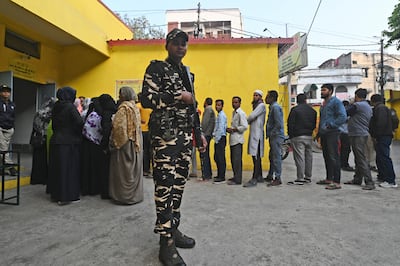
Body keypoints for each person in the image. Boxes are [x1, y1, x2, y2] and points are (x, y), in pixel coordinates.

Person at [141, 28, 207, 266]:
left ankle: (174, 228)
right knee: (164, 188)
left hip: (184, 139)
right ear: (167, 45)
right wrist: (178, 96)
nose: (181, 47)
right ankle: (165, 241)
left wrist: (198, 133)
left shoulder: (188, 74)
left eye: (185, 43)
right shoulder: (156, 68)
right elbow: (147, 99)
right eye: (177, 43)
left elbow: (193, 107)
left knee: (178, 186)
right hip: (164, 139)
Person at [47, 87, 83, 205]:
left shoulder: (56, 106)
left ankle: (56, 195)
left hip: (56, 140)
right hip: (68, 142)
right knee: (68, 170)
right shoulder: (70, 107)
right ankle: (66, 196)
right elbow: (79, 122)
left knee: (57, 169)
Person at [108, 86, 143, 204]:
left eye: (120, 94)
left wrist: (115, 143)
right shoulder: (135, 107)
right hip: (136, 142)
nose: (119, 96)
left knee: (123, 170)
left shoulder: (123, 109)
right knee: (134, 169)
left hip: (125, 144)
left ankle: (123, 196)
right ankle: (135, 196)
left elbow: (119, 128)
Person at [81, 94, 117, 197]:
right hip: (108, 144)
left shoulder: (96, 114)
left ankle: (96, 189)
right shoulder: (113, 112)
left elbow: (87, 129)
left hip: (94, 145)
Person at [316, 84, 347, 190]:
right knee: (327, 156)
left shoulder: (336, 102)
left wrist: (331, 125)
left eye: (324, 90)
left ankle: (337, 182)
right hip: (324, 133)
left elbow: (343, 116)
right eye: (321, 90)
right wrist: (319, 132)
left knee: (334, 156)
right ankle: (329, 178)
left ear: (330, 91)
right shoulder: (324, 104)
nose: (322, 92)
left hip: (333, 133)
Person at [343, 88, 375, 190]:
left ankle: (369, 182)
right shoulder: (367, 106)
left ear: (357, 96)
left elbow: (345, 112)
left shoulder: (358, 105)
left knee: (361, 158)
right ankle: (357, 179)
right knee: (358, 157)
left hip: (358, 134)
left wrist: (352, 102)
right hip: (361, 133)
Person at [287, 93, 317, 185]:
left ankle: (300, 178)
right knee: (309, 157)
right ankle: (308, 177)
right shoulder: (313, 111)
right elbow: (314, 124)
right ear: (306, 100)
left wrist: (291, 136)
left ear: (297, 100)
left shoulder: (295, 110)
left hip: (298, 136)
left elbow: (290, 124)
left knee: (299, 157)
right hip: (309, 136)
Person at [369, 94, 397, 188]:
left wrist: (376, 135)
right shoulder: (384, 108)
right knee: (380, 157)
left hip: (382, 136)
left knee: (384, 157)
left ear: (373, 101)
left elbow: (380, 123)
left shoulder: (380, 109)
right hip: (383, 135)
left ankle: (390, 180)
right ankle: (382, 176)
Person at [30, 97, 55, 185]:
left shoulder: (39, 112)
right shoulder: (49, 113)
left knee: (37, 160)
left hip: (37, 138)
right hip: (44, 138)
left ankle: (36, 179)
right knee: (44, 160)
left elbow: (35, 126)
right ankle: (43, 178)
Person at [243, 90, 266, 187]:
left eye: (257, 95)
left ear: (261, 97)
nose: (255, 97)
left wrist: (246, 121)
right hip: (254, 133)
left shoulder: (261, 106)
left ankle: (254, 178)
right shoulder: (257, 106)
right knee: (255, 157)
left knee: (256, 157)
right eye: (254, 95)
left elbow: (252, 116)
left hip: (257, 135)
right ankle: (259, 176)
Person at [265, 90, 285, 187]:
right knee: (272, 156)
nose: (266, 98)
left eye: (267, 97)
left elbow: (278, 123)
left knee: (276, 157)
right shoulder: (272, 107)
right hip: (274, 136)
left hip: (276, 136)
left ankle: (278, 178)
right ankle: (270, 175)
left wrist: (272, 133)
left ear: (272, 98)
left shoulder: (275, 108)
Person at [226, 96, 248, 185]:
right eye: (233, 102)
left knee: (237, 160)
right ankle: (235, 176)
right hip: (233, 139)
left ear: (239, 103)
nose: (234, 104)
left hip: (238, 140)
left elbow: (244, 126)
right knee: (233, 160)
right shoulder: (234, 113)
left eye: (236, 102)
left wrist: (234, 129)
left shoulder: (241, 113)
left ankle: (238, 180)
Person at [0, 84, 17, 176]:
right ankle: (10, 166)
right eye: (4, 91)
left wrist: (12, 127)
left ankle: (1, 168)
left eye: (7, 91)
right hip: (0, 127)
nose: (6, 93)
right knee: (3, 147)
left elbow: (13, 116)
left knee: (3, 149)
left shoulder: (12, 104)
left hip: (9, 128)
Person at [137, 92, 152, 178]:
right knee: (149, 151)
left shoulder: (138, 106)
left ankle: (143, 169)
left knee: (142, 151)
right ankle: (148, 169)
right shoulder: (150, 106)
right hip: (149, 131)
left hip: (141, 131)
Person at [200, 97, 215, 181]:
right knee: (207, 154)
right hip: (208, 134)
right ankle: (208, 173)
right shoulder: (211, 110)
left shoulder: (208, 110)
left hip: (206, 135)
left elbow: (204, 123)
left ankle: (206, 175)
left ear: (205, 102)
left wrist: (201, 133)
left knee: (204, 155)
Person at [212, 99, 227, 184]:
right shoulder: (219, 115)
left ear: (222, 106)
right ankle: (219, 174)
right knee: (217, 157)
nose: (217, 107)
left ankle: (222, 176)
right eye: (216, 105)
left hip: (220, 138)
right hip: (218, 138)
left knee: (220, 158)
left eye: (219, 105)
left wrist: (217, 139)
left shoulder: (222, 116)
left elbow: (221, 129)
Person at [340, 100, 354, 171]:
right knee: (346, 149)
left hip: (342, 133)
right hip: (345, 133)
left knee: (344, 149)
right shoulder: (344, 113)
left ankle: (342, 163)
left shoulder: (341, 112)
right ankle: (344, 164)